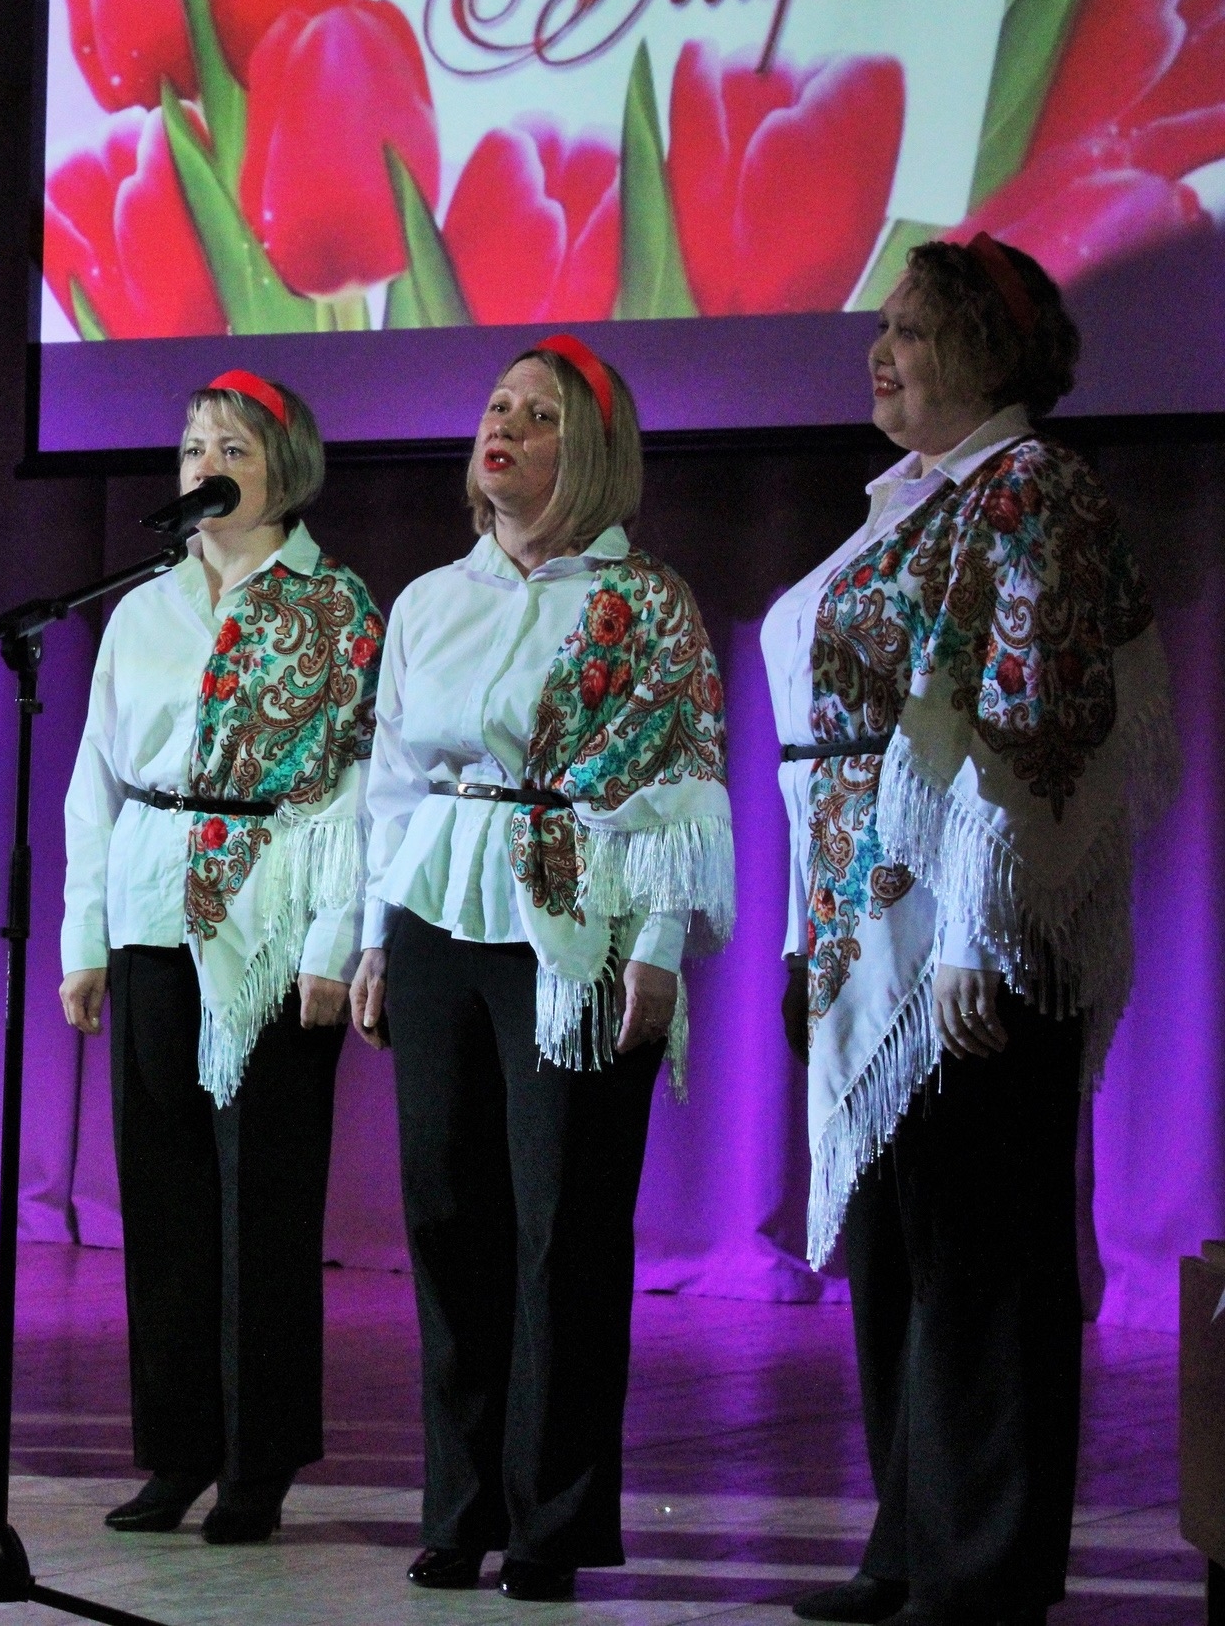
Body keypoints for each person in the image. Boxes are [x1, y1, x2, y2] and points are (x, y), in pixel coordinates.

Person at [767, 236, 1174, 1626]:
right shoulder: (911, 500)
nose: (881, 353)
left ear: (992, 351)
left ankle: (984, 1568)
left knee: (986, 1265)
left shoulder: (1034, 492)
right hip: (860, 936)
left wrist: (975, 930)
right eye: (879, 328)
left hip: (962, 945)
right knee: (901, 1259)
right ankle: (912, 1545)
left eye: (914, 331)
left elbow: (1031, 725)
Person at [350, 336, 734, 1599]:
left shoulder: (647, 604)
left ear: (592, 453)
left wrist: (662, 950)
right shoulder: (428, 600)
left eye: (538, 412)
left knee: (559, 1224)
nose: (502, 424)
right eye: (495, 405)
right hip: (435, 916)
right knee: (447, 1215)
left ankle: (553, 1520)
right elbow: (390, 783)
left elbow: (680, 786)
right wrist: (367, 934)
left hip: (576, 922)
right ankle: (457, 1507)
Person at [57, 371, 382, 1544]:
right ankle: (175, 1449)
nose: (201, 458)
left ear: (280, 464)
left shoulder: (335, 605)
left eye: (228, 442)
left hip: (271, 925)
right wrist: (81, 938)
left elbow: (355, 789)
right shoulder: (142, 607)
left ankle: (258, 1458)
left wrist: (335, 945)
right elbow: (93, 778)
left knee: (264, 1204)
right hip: (149, 917)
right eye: (190, 440)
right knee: (166, 1202)